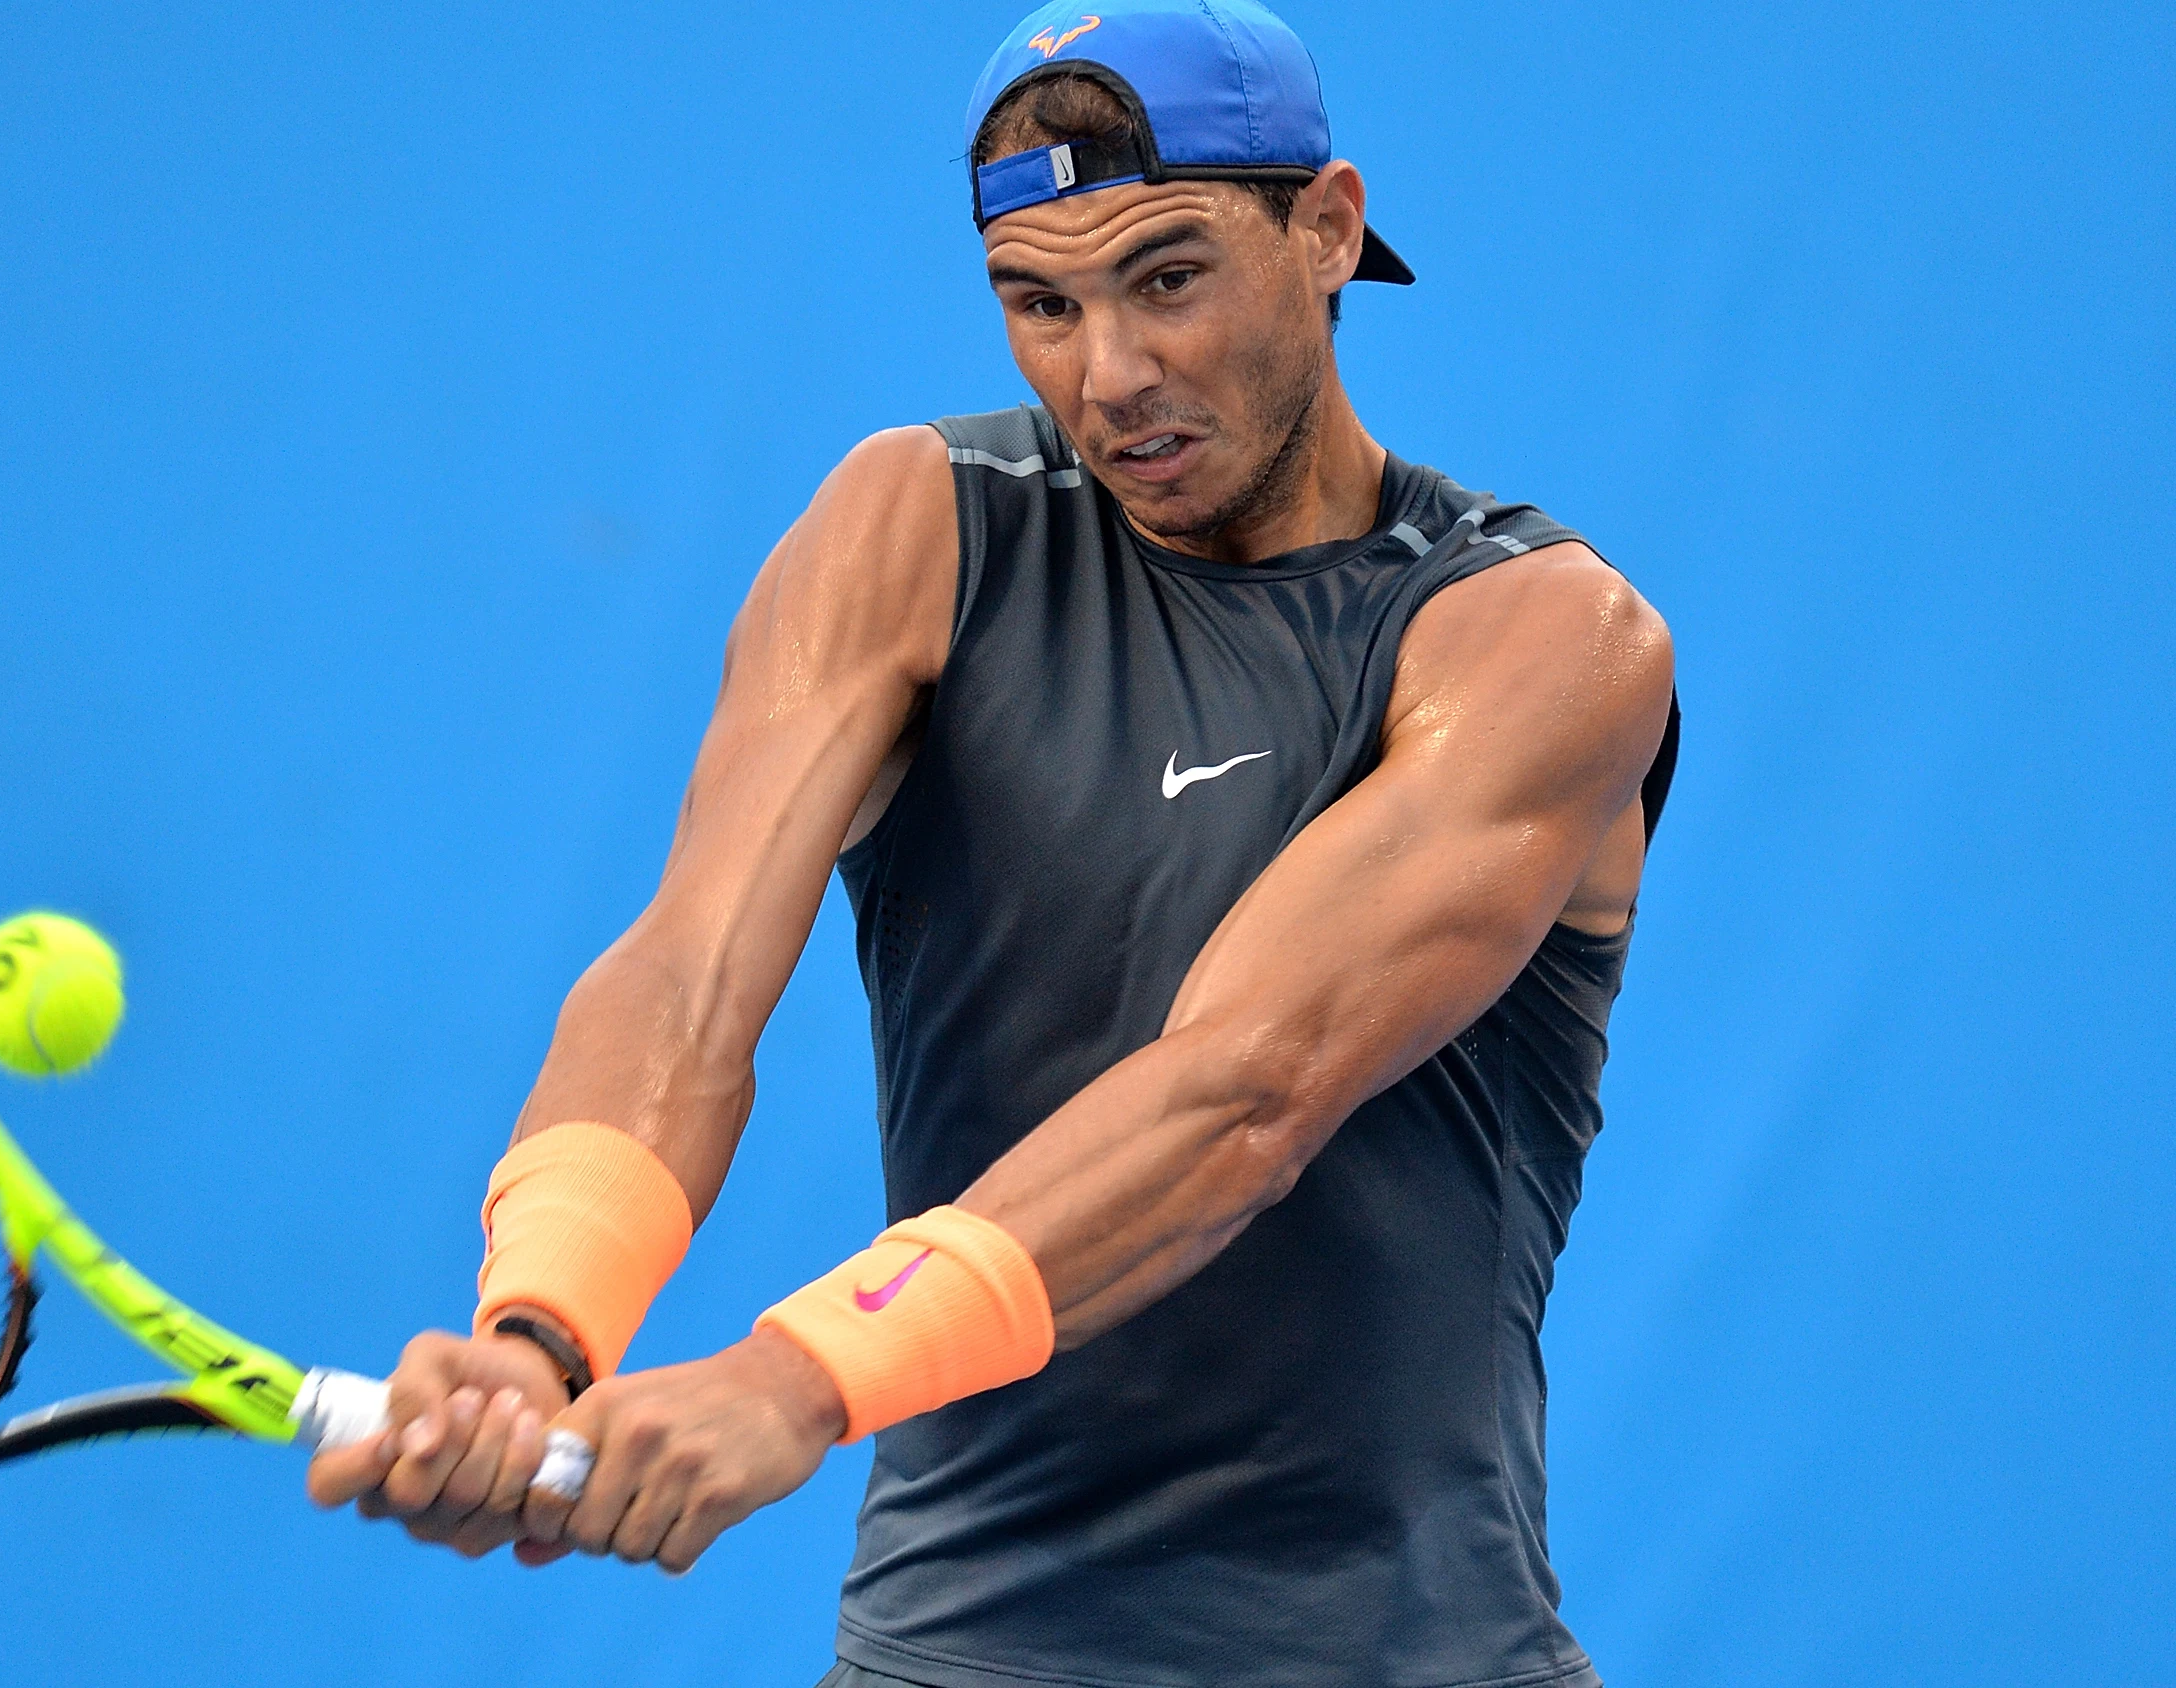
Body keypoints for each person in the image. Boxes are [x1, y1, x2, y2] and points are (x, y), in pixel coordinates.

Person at [306, 2, 1677, 1682]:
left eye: (1168, 277)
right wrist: (540, 1332)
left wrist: (788, 1380)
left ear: (1326, 227)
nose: (1110, 373)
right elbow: (688, 975)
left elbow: (1243, 1090)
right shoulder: (913, 530)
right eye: (1041, 303)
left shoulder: (1536, 636)